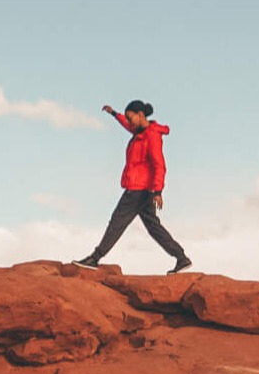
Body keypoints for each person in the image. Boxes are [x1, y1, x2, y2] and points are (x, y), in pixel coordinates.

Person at [74, 99, 192, 273]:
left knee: (116, 223)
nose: (129, 122)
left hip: (139, 190)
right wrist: (114, 114)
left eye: (131, 118)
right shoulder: (140, 131)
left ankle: (95, 258)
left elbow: (160, 165)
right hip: (144, 190)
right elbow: (127, 125)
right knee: (153, 227)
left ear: (140, 115)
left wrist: (158, 191)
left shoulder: (151, 136)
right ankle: (181, 258)